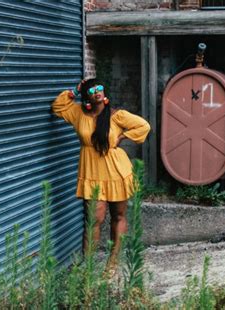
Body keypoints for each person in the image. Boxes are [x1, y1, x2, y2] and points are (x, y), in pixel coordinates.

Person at [52, 78, 150, 274]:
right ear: (87, 95)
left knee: (118, 215)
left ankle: (112, 263)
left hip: (116, 172)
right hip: (91, 172)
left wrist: (121, 137)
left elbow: (143, 126)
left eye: (99, 88)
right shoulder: (78, 113)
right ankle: (87, 267)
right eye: (91, 90)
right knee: (93, 220)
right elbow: (58, 106)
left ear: (104, 92)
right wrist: (76, 90)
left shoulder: (116, 116)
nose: (96, 91)